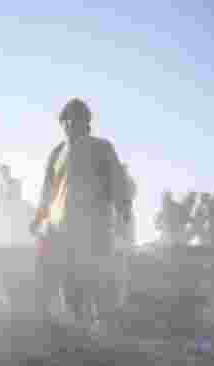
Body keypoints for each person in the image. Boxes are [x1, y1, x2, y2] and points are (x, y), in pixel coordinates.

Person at [30, 98, 131, 328]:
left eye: (75, 119)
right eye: (66, 119)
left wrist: (124, 211)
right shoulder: (57, 152)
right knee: (67, 282)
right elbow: (47, 191)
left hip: (91, 226)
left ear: (86, 122)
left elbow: (117, 182)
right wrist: (38, 218)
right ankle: (74, 329)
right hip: (58, 228)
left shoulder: (101, 148)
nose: (69, 124)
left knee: (94, 279)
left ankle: (101, 328)